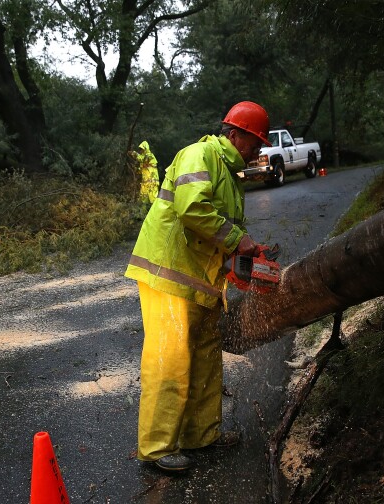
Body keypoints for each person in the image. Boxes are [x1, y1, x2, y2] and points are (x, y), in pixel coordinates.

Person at [124, 101, 272, 472]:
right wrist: (239, 240)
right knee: (170, 360)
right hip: (169, 274)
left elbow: (214, 236)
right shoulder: (200, 155)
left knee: (206, 357)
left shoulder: (230, 176)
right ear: (236, 135)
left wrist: (236, 261)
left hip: (202, 282)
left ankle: (202, 435)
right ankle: (156, 448)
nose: (258, 151)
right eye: (255, 143)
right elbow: (193, 210)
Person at [132, 140, 160, 211]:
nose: (140, 151)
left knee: (153, 199)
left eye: (141, 149)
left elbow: (142, 159)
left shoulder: (149, 156)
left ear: (145, 148)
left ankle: (156, 214)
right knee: (143, 199)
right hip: (145, 183)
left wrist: (134, 153)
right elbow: (141, 169)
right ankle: (142, 215)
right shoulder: (143, 159)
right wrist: (136, 169)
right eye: (140, 150)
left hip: (152, 182)